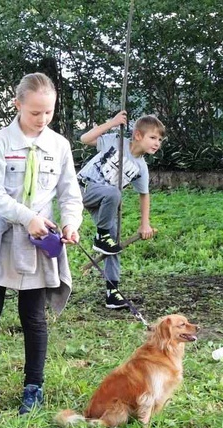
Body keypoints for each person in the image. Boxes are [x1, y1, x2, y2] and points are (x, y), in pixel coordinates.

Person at [0, 73, 83, 415]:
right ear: (17, 105)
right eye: (35, 113)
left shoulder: (59, 145)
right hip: (1, 234)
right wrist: (24, 216)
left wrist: (72, 222)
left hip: (38, 240)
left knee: (33, 315)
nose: (42, 119)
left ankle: (34, 386)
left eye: (48, 113)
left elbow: (69, 193)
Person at [76, 111, 165, 309]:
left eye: (159, 139)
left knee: (113, 243)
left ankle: (112, 293)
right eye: (153, 137)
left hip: (104, 201)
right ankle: (101, 235)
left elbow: (144, 195)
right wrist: (113, 123)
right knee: (114, 194)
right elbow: (84, 138)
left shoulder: (141, 168)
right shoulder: (116, 142)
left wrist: (145, 224)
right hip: (83, 188)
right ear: (138, 135)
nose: (157, 143)